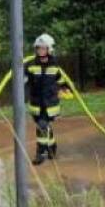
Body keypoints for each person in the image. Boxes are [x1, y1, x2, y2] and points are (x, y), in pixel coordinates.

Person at [26, 33, 68, 165]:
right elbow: (25, 82)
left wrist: (65, 89)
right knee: (45, 126)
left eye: (43, 48)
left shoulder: (55, 66)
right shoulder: (31, 66)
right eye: (38, 48)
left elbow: (62, 81)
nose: (40, 50)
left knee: (42, 126)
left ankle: (41, 153)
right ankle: (52, 147)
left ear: (49, 49)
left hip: (50, 105)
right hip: (36, 104)